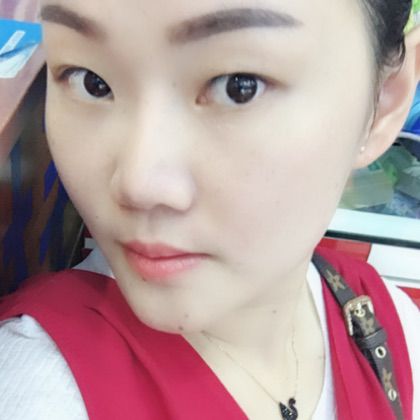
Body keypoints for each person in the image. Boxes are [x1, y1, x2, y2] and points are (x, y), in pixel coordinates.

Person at [0, 0, 419, 419]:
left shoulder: (396, 330)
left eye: (239, 86)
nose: (138, 185)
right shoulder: (37, 392)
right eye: (91, 81)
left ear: (383, 103)